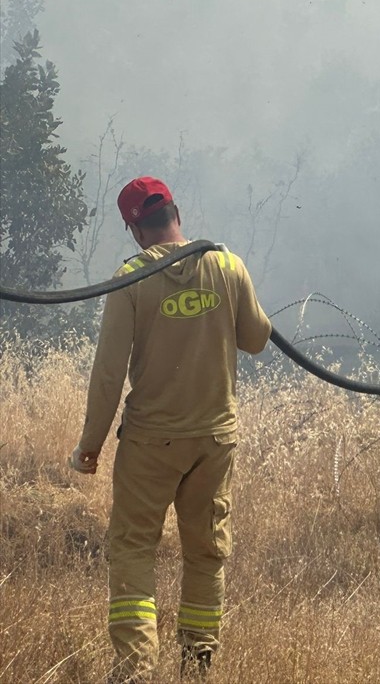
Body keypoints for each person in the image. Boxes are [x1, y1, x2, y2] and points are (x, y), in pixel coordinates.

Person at [68, 177, 272, 683]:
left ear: (135, 228)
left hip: (150, 443)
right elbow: (257, 339)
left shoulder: (130, 279)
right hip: (214, 439)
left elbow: (109, 373)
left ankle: (136, 670)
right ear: (176, 212)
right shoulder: (226, 264)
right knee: (205, 552)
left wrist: (89, 447)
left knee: (134, 548)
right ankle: (199, 664)